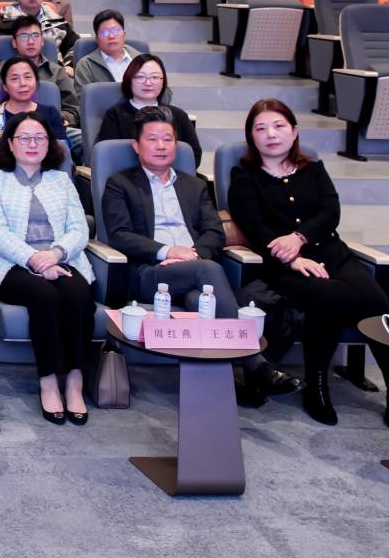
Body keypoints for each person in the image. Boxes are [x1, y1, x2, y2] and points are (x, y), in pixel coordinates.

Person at [100, 107, 301, 409]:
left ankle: (221, 387)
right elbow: (120, 234)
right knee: (206, 272)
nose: (161, 145)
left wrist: (191, 256)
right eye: (152, 139)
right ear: (136, 145)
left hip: (195, 271)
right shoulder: (120, 183)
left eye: (168, 139)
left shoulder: (194, 185)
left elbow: (214, 232)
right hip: (149, 273)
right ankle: (255, 365)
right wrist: (168, 252)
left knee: (200, 300)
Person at [227, 99, 389, 429]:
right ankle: (318, 387)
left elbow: (330, 212)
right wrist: (293, 258)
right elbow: (254, 226)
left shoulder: (313, 168)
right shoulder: (244, 176)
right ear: (251, 136)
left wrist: (299, 238)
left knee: (380, 305)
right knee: (332, 298)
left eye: (279, 126)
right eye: (261, 128)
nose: (271, 134)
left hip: (333, 253)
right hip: (283, 266)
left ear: (294, 131)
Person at [0, 112, 93, 425]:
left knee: (79, 295)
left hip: (61, 258)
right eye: (24, 138)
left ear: (49, 143)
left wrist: (55, 254)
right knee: (45, 295)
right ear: (10, 144)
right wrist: (34, 259)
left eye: (40, 138)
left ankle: (75, 381)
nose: (32, 144)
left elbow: (79, 228)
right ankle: (48, 381)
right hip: (11, 264)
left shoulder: (61, 180)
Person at [95, 54, 201, 166]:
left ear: (163, 82)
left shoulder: (178, 115)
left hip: (173, 175)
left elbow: (194, 157)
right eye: (140, 77)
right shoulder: (115, 115)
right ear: (129, 80)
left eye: (154, 77)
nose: (148, 83)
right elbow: (109, 158)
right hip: (128, 176)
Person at [0, 17, 78, 136]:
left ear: (42, 41)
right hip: (10, 130)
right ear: (14, 43)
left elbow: (73, 109)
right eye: (24, 36)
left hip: (52, 126)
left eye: (35, 35)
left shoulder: (57, 71)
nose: (30, 41)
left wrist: (60, 118)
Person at [0, 57, 71, 150]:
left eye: (27, 77)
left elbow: (62, 150)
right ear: (5, 86)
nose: (22, 83)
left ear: (36, 82)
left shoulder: (51, 113)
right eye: (15, 79)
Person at [0, 0, 76, 64]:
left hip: (54, 70)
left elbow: (74, 47)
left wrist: (69, 66)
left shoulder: (57, 21)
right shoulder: (5, 24)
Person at [73, 8, 150, 98]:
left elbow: (161, 91)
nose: (111, 36)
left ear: (124, 34)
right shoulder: (86, 66)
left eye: (116, 31)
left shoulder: (142, 60)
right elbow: (83, 100)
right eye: (105, 32)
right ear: (97, 39)